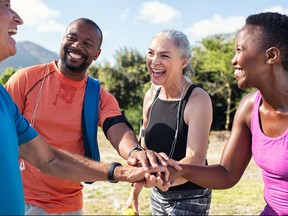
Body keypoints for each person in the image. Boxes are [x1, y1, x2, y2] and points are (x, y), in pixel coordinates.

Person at [2, 4, 179, 215]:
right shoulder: (25, 80)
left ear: (97, 53)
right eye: (72, 38)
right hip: (24, 199)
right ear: (62, 40)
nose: (77, 46)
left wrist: (137, 154)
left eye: (87, 43)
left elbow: (117, 128)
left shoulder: (99, 96)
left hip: (71, 203)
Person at [166, 12, 288, 216]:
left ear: (271, 56)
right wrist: (177, 169)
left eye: (239, 50)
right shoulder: (249, 107)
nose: (233, 60)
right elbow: (226, 173)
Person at [123, 29, 213, 215]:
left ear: (184, 62)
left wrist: (162, 179)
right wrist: (134, 194)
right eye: (150, 53)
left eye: (164, 55)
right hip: (158, 194)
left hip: (191, 197)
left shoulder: (197, 99)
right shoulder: (150, 96)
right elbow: (143, 150)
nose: (154, 61)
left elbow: (195, 160)